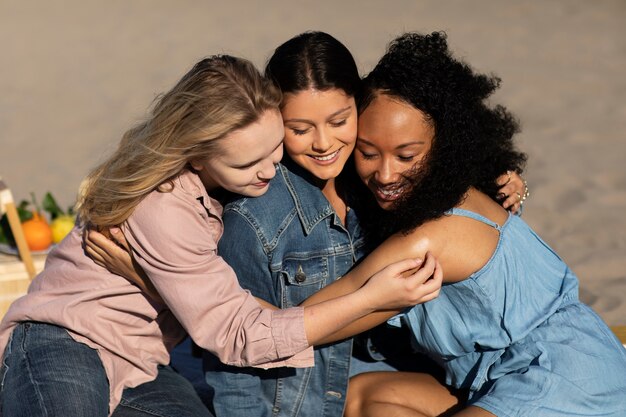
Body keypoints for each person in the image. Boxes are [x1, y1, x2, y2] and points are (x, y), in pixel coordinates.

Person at [86, 32, 530, 417]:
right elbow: (236, 350)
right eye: (299, 129)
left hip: (384, 368)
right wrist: (152, 279)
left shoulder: (376, 178)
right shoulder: (256, 216)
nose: (324, 144)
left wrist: (500, 182)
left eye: (340, 121)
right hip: (298, 396)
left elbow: (444, 180)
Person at [0, 55, 443, 417]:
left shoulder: (239, 166)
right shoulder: (165, 205)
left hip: (141, 360)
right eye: (248, 164)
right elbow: (235, 331)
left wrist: (498, 175)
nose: (270, 170)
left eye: (275, 148)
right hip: (64, 341)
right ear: (195, 153)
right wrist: (370, 298)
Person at [338, 31, 626, 416]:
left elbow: (318, 320)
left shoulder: (428, 238)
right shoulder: (469, 191)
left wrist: (240, 315)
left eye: (406, 156)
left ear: (446, 145)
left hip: (560, 373)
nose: (386, 174)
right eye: (368, 152)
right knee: (364, 398)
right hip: (497, 376)